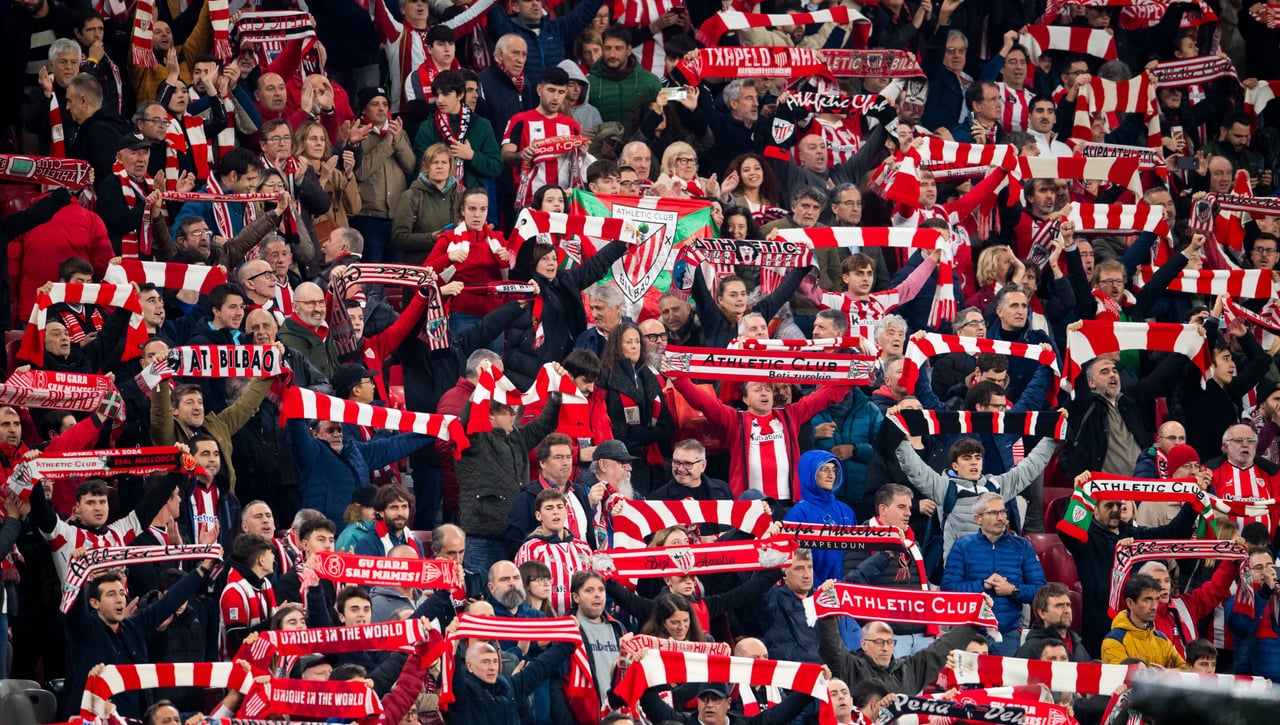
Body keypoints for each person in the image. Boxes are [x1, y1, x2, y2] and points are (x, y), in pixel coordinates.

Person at [895, 435, 1058, 560]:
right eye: (967, 458)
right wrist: (899, 435)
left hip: (995, 567)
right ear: (955, 465)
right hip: (959, 570)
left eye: (977, 458)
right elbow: (915, 468)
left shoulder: (996, 486)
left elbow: (1029, 467)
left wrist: (1051, 438)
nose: (974, 463)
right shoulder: (944, 488)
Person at [941, 492, 1047, 655]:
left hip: (1007, 634)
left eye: (1003, 512)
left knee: (1002, 681)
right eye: (993, 513)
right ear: (978, 519)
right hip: (967, 633)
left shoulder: (1023, 546)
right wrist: (982, 585)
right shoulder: (962, 546)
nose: (1001, 517)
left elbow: (1040, 591)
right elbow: (948, 590)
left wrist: (1013, 590)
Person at [514, 488, 593, 615]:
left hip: (582, 622)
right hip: (545, 623)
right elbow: (522, 590)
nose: (556, 512)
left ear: (566, 512)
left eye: (560, 507)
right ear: (538, 515)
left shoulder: (584, 548)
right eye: (549, 508)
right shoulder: (530, 548)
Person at [1101, 574, 1187, 669]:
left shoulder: (1162, 639)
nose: (1154, 607)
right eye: (1147, 600)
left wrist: (1168, 674)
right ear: (1130, 603)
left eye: (1157, 599)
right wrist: (1160, 676)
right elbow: (1123, 679)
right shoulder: (1114, 641)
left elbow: (1185, 670)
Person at [1016, 583, 1091, 662]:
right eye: (1059, 606)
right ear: (1042, 613)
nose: (1066, 610)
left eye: (1068, 605)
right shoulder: (1031, 649)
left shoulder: (1077, 643)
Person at [353, 484, 424, 557]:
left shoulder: (417, 544)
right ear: (381, 512)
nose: (400, 513)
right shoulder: (367, 544)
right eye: (394, 507)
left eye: (404, 507)